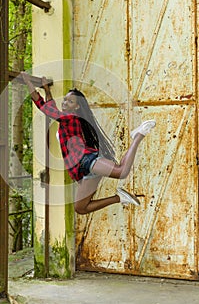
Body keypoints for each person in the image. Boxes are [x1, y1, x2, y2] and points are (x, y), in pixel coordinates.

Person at [21, 72, 156, 215]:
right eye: (65, 100)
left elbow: (43, 107)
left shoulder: (70, 118)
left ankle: (138, 136)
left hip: (86, 161)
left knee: (121, 172)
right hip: (82, 170)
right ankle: (119, 198)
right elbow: (50, 106)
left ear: (77, 107)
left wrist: (27, 81)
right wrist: (47, 90)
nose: (65, 103)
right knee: (80, 208)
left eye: (70, 101)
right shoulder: (66, 119)